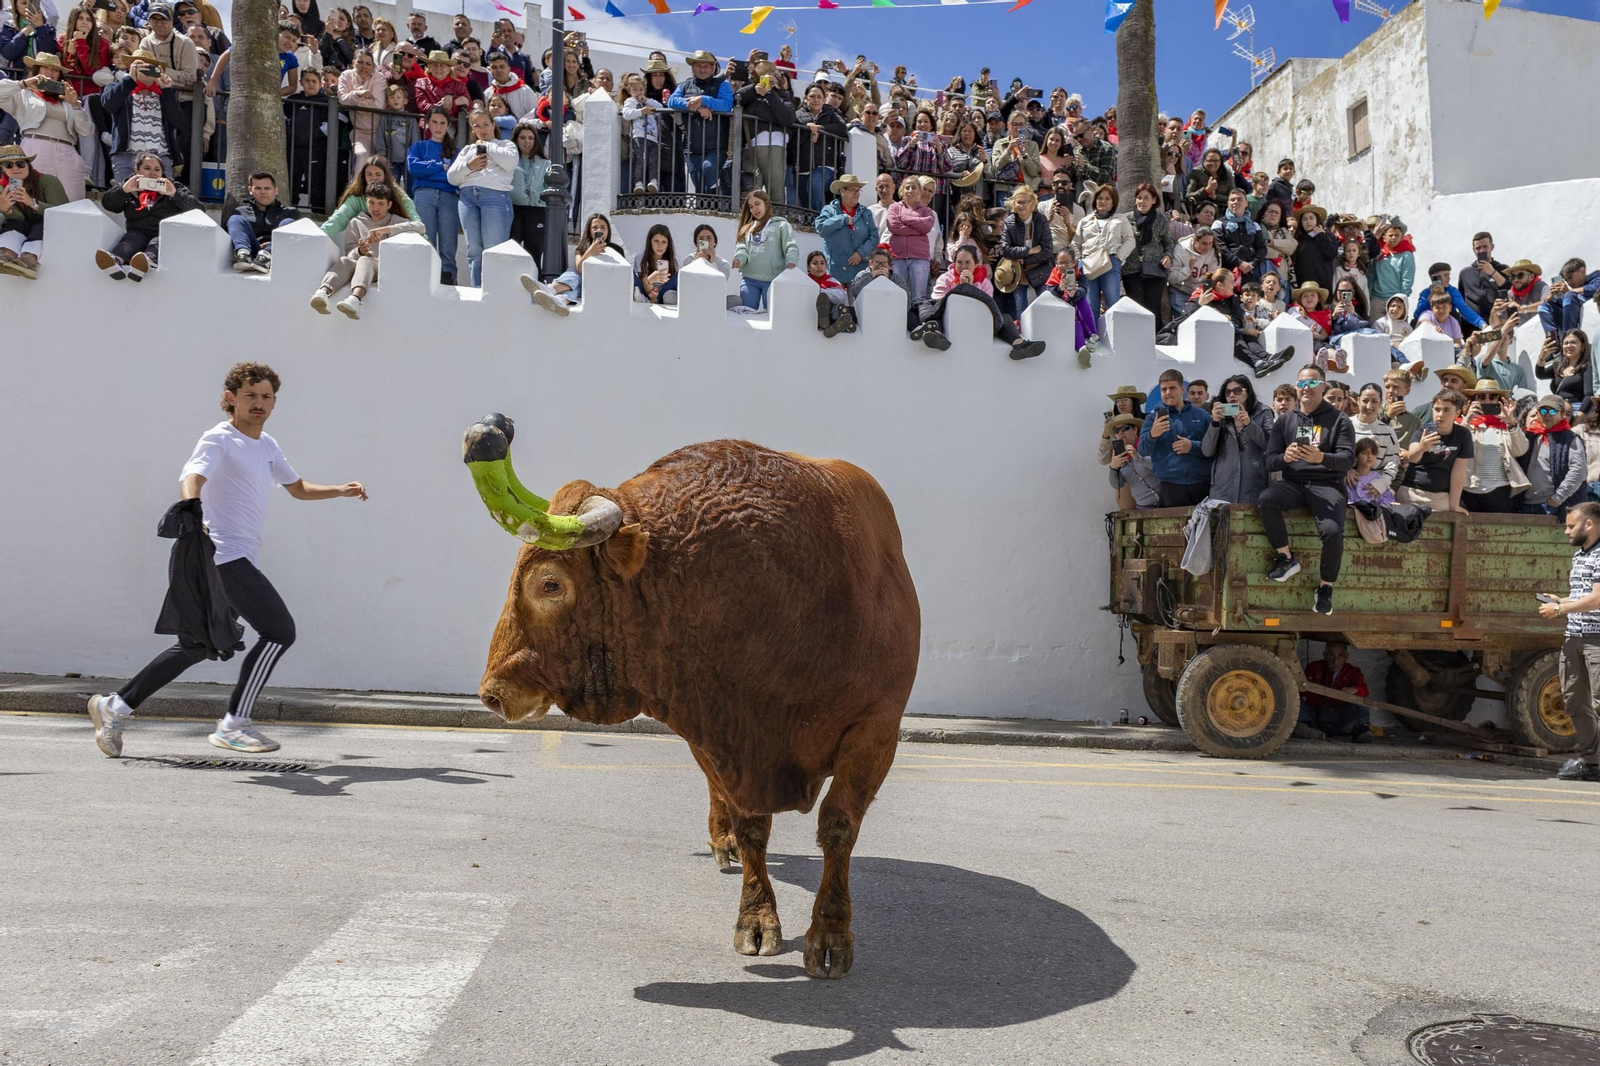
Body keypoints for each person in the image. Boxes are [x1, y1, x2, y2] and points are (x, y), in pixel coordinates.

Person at [86, 362, 368, 758]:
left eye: (266, 396)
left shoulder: (267, 445)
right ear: (230, 399)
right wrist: (191, 504)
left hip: (238, 558)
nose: (259, 403)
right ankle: (235, 722)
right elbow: (193, 474)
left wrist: (338, 490)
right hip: (223, 556)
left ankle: (115, 706)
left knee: (196, 645)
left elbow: (298, 487)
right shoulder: (219, 438)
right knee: (279, 631)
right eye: (251, 395)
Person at [1259, 364, 1356, 615]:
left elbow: (1347, 460)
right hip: (1294, 483)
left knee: (1332, 531)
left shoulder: (1339, 420)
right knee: (1267, 499)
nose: (1306, 388)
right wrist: (1286, 458)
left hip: (1327, 484)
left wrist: (1321, 457)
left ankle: (1325, 588)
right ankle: (1286, 558)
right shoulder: (1285, 421)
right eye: (1302, 383)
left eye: (1312, 383)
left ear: (1323, 387)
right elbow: (1270, 461)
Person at [1539, 501, 1600, 781]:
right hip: (1573, 636)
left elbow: (1597, 599)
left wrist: (1560, 609)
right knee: (1575, 702)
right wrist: (1560, 600)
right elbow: (1583, 598)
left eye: (1571, 526)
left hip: (1595, 640)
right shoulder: (1580, 556)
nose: (1566, 532)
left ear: (1589, 524)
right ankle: (1591, 762)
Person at [308, 179, 422, 318]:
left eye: (381, 204)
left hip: (383, 266)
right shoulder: (355, 222)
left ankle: (355, 299)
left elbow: (420, 227)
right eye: (371, 202)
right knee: (345, 260)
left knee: (365, 261)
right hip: (360, 264)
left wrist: (386, 230)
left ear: (389, 205)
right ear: (366, 201)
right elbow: (350, 252)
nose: (376, 208)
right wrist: (359, 251)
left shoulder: (395, 220)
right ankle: (323, 293)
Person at [915, 243, 1045, 360]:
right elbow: (938, 303)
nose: (963, 266)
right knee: (935, 318)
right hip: (949, 319)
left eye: (967, 262)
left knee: (1005, 317)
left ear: (976, 264)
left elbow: (987, 306)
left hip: (977, 321)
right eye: (959, 262)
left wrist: (969, 287)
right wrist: (960, 288)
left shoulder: (985, 283)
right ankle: (937, 337)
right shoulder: (945, 279)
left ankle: (1019, 345)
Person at [1, 52, 94, 200]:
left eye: (55, 69)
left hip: (67, 150)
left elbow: (86, 130)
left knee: (71, 201)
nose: (50, 72)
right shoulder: (24, 94)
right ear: (36, 70)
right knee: (33, 197)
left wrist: (75, 105)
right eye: (45, 67)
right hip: (35, 147)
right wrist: (23, 83)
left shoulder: (68, 99)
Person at [92, 148, 196, 279]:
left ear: (162, 173)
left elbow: (198, 210)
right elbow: (108, 204)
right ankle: (115, 261)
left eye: (157, 169)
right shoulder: (129, 185)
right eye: (147, 168)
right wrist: (124, 190)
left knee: (157, 242)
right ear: (137, 171)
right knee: (131, 240)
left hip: (163, 233)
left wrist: (174, 194)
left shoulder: (173, 186)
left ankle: (145, 263)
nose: (152, 173)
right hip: (137, 232)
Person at [445, 108, 513, 288]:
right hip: (467, 198)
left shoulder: (506, 145)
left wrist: (486, 145)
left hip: (495, 196)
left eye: (485, 124)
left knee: (493, 248)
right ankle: (477, 290)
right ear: (472, 129)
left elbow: (510, 163)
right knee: (474, 250)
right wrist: (469, 165)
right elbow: (452, 177)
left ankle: (494, 292)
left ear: (493, 125)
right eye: (477, 126)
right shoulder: (467, 150)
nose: (482, 129)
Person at [523, 211, 623, 316]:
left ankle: (550, 289)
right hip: (583, 284)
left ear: (608, 230)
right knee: (575, 278)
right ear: (589, 231)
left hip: (601, 285)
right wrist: (589, 252)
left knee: (574, 274)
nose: (599, 230)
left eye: (603, 227)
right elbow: (579, 269)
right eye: (595, 227)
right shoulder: (581, 249)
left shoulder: (616, 250)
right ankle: (560, 301)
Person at [1139, 368, 1212, 507]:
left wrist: (1192, 446)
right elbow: (1142, 450)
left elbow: (1213, 448)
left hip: (1202, 484)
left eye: (1172, 388)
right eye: (1164, 389)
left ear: (1182, 388)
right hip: (1170, 488)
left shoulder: (1202, 416)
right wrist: (1152, 435)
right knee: (1173, 529)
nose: (1168, 393)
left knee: (1206, 529)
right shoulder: (1152, 419)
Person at [1202, 374, 1275, 505]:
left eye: (1237, 391)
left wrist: (1249, 423)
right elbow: (1207, 450)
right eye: (1228, 392)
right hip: (1223, 487)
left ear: (1248, 392)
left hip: (1252, 486)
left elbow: (1270, 445)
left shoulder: (1263, 412)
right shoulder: (1220, 416)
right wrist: (1215, 423)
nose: (1232, 395)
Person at [1397, 387, 1472, 513]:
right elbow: (1412, 457)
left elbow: (1459, 472)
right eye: (1437, 409)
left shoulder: (1462, 435)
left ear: (1457, 413)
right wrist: (1422, 447)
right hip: (1412, 493)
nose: (1440, 415)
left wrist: (1454, 505)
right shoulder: (1423, 431)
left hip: (1441, 497)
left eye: (1447, 410)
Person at [667, 49, 730, 196]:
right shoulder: (684, 85)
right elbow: (672, 101)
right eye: (699, 66)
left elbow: (726, 104)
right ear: (693, 67)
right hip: (692, 147)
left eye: (707, 66)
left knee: (709, 168)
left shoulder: (722, 83)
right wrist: (698, 107)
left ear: (713, 68)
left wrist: (703, 100)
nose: (703, 69)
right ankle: (705, 212)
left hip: (717, 146)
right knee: (699, 185)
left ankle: (717, 205)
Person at [1460, 380, 1529, 514]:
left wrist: (1511, 423)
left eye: (1492, 397)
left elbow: (1521, 450)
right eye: (1481, 397)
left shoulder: (1505, 425)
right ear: (1474, 401)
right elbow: (1454, 446)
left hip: (1499, 489)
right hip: (1468, 488)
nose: (1487, 401)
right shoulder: (1464, 424)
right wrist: (1467, 420)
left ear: (1499, 401)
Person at [406, 108, 458, 284]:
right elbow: (413, 168)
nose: (438, 127)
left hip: (449, 197)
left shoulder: (456, 151)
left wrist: (428, 169)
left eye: (442, 123)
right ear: (428, 123)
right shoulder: (418, 147)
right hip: (424, 195)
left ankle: (449, 281)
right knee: (426, 240)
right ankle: (425, 282)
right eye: (434, 122)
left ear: (448, 125)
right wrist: (440, 168)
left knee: (448, 244)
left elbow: (455, 177)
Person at [0, 141, 63, 278]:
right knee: (13, 224)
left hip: (48, 226)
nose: (15, 168)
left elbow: (62, 212)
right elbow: (19, 220)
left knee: (41, 225)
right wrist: (6, 210)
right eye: (9, 165)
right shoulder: (2, 188)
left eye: (20, 164)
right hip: (22, 227)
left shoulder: (47, 181)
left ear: (28, 164)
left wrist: (33, 203)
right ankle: (6, 254)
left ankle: (28, 260)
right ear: (3, 168)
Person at [1075, 183, 1132, 333]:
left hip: (1111, 263)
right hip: (1088, 264)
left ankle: (1114, 336)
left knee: (1112, 302)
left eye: (1107, 198)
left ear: (1113, 202)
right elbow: (1075, 243)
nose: (1103, 201)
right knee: (1090, 303)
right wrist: (1078, 261)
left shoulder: (1121, 219)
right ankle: (1092, 336)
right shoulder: (1085, 221)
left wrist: (1118, 257)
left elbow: (1130, 240)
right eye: (1100, 198)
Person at [1520, 395, 1589, 517]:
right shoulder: (1530, 436)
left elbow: (1578, 471)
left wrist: (1557, 499)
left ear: (1562, 415)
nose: (1547, 414)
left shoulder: (1571, 438)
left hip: (1552, 507)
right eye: (1543, 411)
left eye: (1552, 411)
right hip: (1526, 504)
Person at [1296, 641, 1373, 743]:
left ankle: (1361, 730)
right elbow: (1302, 690)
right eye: (1332, 655)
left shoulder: (1353, 672)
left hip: (1341, 718)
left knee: (1361, 703)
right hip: (1317, 717)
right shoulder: (1314, 668)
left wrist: (1356, 690)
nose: (1335, 661)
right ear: (1325, 655)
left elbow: (1364, 690)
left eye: (1340, 655)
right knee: (1295, 700)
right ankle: (1307, 727)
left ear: (1346, 657)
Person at [813, 172, 877, 289]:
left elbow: (874, 237)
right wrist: (842, 219)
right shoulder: (829, 210)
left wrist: (860, 253)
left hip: (859, 273)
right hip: (836, 271)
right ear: (842, 191)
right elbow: (821, 229)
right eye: (853, 190)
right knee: (837, 306)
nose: (857, 194)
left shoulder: (865, 213)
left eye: (858, 191)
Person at [997, 184, 1052, 315]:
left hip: (1040, 269)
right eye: (1018, 202)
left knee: (1044, 306)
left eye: (1025, 202)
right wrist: (1029, 251)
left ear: (1032, 203)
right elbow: (1005, 249)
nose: (1021, 205)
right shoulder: (1009, 221)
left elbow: (1047, 250)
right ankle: (1022, 334)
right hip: (1018, 271)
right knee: (1021, 309)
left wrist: (1025, 259)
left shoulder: (1041, 220)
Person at [1120, 181, 1172, 322]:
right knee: (1136, 307)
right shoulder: (1125, 218)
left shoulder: (1160, 219)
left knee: (1153, 309)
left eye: (1146, 198)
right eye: (1139, 197)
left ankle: (1156, 340)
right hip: (1131, 270)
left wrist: (1168, 255)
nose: (1142, 201)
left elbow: (1168, 242)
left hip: (1155, 270)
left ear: (1154, 200)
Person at [225, 170, 292, 274]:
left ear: (276, 191)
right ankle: (243, 254)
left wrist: (270, 245)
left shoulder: (289, 212)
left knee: (289, 222)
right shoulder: (241, 212)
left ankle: (266, 255)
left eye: (267, 188)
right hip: (252, 250)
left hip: (277, 252)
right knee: (235, 219)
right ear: (250, 190)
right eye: (258, 188)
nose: (263, 192)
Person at [886, 175, 934, 304]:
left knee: (919, 298)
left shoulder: (927, 211)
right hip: (898, 257)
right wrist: (917, 230)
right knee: (898, 297)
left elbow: (927, 225)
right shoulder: (894, 208)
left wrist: (905, 219)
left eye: (914, 188)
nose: (910, 190)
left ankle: (918, 323)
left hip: (919, 258)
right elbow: (894, 226)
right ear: (902, 190)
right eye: (907, 187)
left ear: (919, 191)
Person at [1349, 382, 1401, 500]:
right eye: (1365, 401)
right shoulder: (1346, 425)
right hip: (1349, 484)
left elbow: (1392, 463)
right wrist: (1346, 471)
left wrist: (1381, 483)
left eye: (1374, 401)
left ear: (1381, 403)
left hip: (1376, 490)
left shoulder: (1388, 432)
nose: (1369, 406)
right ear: (1358, 400)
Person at [507, 120, 546, 271]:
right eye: (522, 137)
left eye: (530, 138)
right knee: (513, 249)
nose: (527, 141)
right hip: (515, 209)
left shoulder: (545, 163)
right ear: (516, 139)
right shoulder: (509, 161)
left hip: (536, 211)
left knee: (534, 252)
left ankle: (534, 285)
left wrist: (535, 196)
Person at [621, 69, 667, 195]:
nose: (638, 92)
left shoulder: (647, 101)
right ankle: (638, 183)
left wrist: (646, 101)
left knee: (653, 160)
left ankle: (653, 181)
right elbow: (626, 114)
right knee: (640, 159)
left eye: (640, 89)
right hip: (639, 136)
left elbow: (661, 108)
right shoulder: (631, 101)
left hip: (652, 137)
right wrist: (641, 111)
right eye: (634, 89)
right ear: (629, 91)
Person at [1539, 258, 1600, 342]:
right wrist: (1551, 297)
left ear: (1583, 271)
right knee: (1543, 306)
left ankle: (1569, 338)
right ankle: (1553, 343)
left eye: (1570, 277)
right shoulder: (1570, 293)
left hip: (1578, 305)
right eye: (1566, 280)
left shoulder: (1595, 276)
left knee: (1569, 296)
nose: (1569, 282)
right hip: (1569, 309)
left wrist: (1568, 291)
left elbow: (1596, 288)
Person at [1167, 226, 1220, 321]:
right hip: (1180, 290)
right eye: (1204, 243)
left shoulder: (1214, 253)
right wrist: (1188, 269)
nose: (1207, 247)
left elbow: (1214, 277)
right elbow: (1171, 278)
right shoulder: (1181, 249)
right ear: (1195, 240)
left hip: (1200, 292)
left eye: (1210, 243)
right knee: (1183, 320)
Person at [1108, 413, 1158, 510]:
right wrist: (1113, 468)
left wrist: (1139, 458)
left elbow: (1159, 467)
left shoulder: (1146, 446)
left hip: (1164, 503)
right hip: (1143, 507)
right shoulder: (1119, 455)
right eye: (1117, 430)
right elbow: (1117, 485)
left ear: (1135, 430)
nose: (1121, 433)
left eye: (1125, 428)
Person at [1458, 231, 1508, 324]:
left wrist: (1492, 272)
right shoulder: (1465, 273)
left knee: (1497, 339)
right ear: (1474, 250)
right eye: (1478, 248)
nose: (1481, 251)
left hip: (1497, 323)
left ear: (1492, 247)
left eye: (1485, 247)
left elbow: (1508, 289)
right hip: (1472, 326)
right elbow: (1461, 300)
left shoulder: (1503, 269)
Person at [1537, 328, 1593, 408]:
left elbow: (1589, 395)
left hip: (1576, 409)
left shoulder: (1586, 367)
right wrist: (1542, 355)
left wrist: (1578, 417)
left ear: (1583, 346)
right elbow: (1540, 374)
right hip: (1558, 409)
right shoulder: (1559, 366)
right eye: (1566, 343)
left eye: (1573, 342)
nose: (1569, 346)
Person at [805, 248, 853, 337]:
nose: (819, 266)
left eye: (822, 263)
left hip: (832, 316)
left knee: (838, 308)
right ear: (808, 267)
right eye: (815, 263)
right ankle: (826, 320)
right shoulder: (805, 282)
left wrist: (823, 293)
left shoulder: (831, 281)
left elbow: (841, 297)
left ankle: (839, 324)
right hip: (810, 316)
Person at [1368, 220, 1414, 311]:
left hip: (1396, 299)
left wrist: (1401, 299)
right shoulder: (1377, 253)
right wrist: (1370, 295)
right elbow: (1371, 275)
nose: (1394, 238)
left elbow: (1407, 280)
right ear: (1384, 238)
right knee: (1375, 325)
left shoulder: (1406, 255)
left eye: (1397, 235)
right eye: (1390, 235)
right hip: (1377, 299)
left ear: (1401, 238)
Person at [1291, 204, 1338, 293]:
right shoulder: (1298, 240)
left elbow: (1331, 254)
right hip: (1304, 287)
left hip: (1324, 286)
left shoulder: (1327, 236)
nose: (1308, 221)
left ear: (1317, 219)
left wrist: (1321, 236)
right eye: (1304, 219)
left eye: (1311, 218)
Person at [634, 221, 677, 306]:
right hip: (646, 292)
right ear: (650, 242)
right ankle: (644, 299)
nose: (660, 245)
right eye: (656, 241)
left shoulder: (674, 261)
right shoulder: (641, 258)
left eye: (664, 242)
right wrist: (650, 280)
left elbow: (672, 284)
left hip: (663, 294)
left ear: (668, 244)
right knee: (632, 275)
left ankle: (660, 299)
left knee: (679, 275)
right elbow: (645, 287)